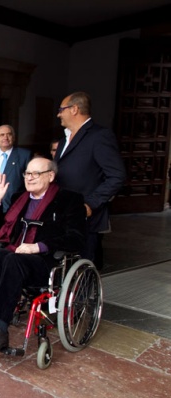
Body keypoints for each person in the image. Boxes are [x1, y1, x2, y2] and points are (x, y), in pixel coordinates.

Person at [0, 158, 86, 351]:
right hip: (16, 259)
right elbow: (2, 232)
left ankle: (0, 329)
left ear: (51, 176)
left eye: (36, 174)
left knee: (12, 259)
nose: (30, 178)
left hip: (47, 263)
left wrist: (38, 246)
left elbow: (77, 238)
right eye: (27, 174)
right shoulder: (19, 198)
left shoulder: (69, 200)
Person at [54, 91, 126, 269]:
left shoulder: (99, 136)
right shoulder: (64, 139)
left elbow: (117, 176)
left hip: (85, 216)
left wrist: (91, 203)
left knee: (81, 271)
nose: (58, 114)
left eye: (61, 109)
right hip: (61, 214)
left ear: (74, 109)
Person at [0, 124, 32, 221]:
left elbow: (29, 180)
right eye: (2, 135)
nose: (5, 137)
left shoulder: (24, 155)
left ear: (14, 137)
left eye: (9, 134)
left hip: (16, 206)